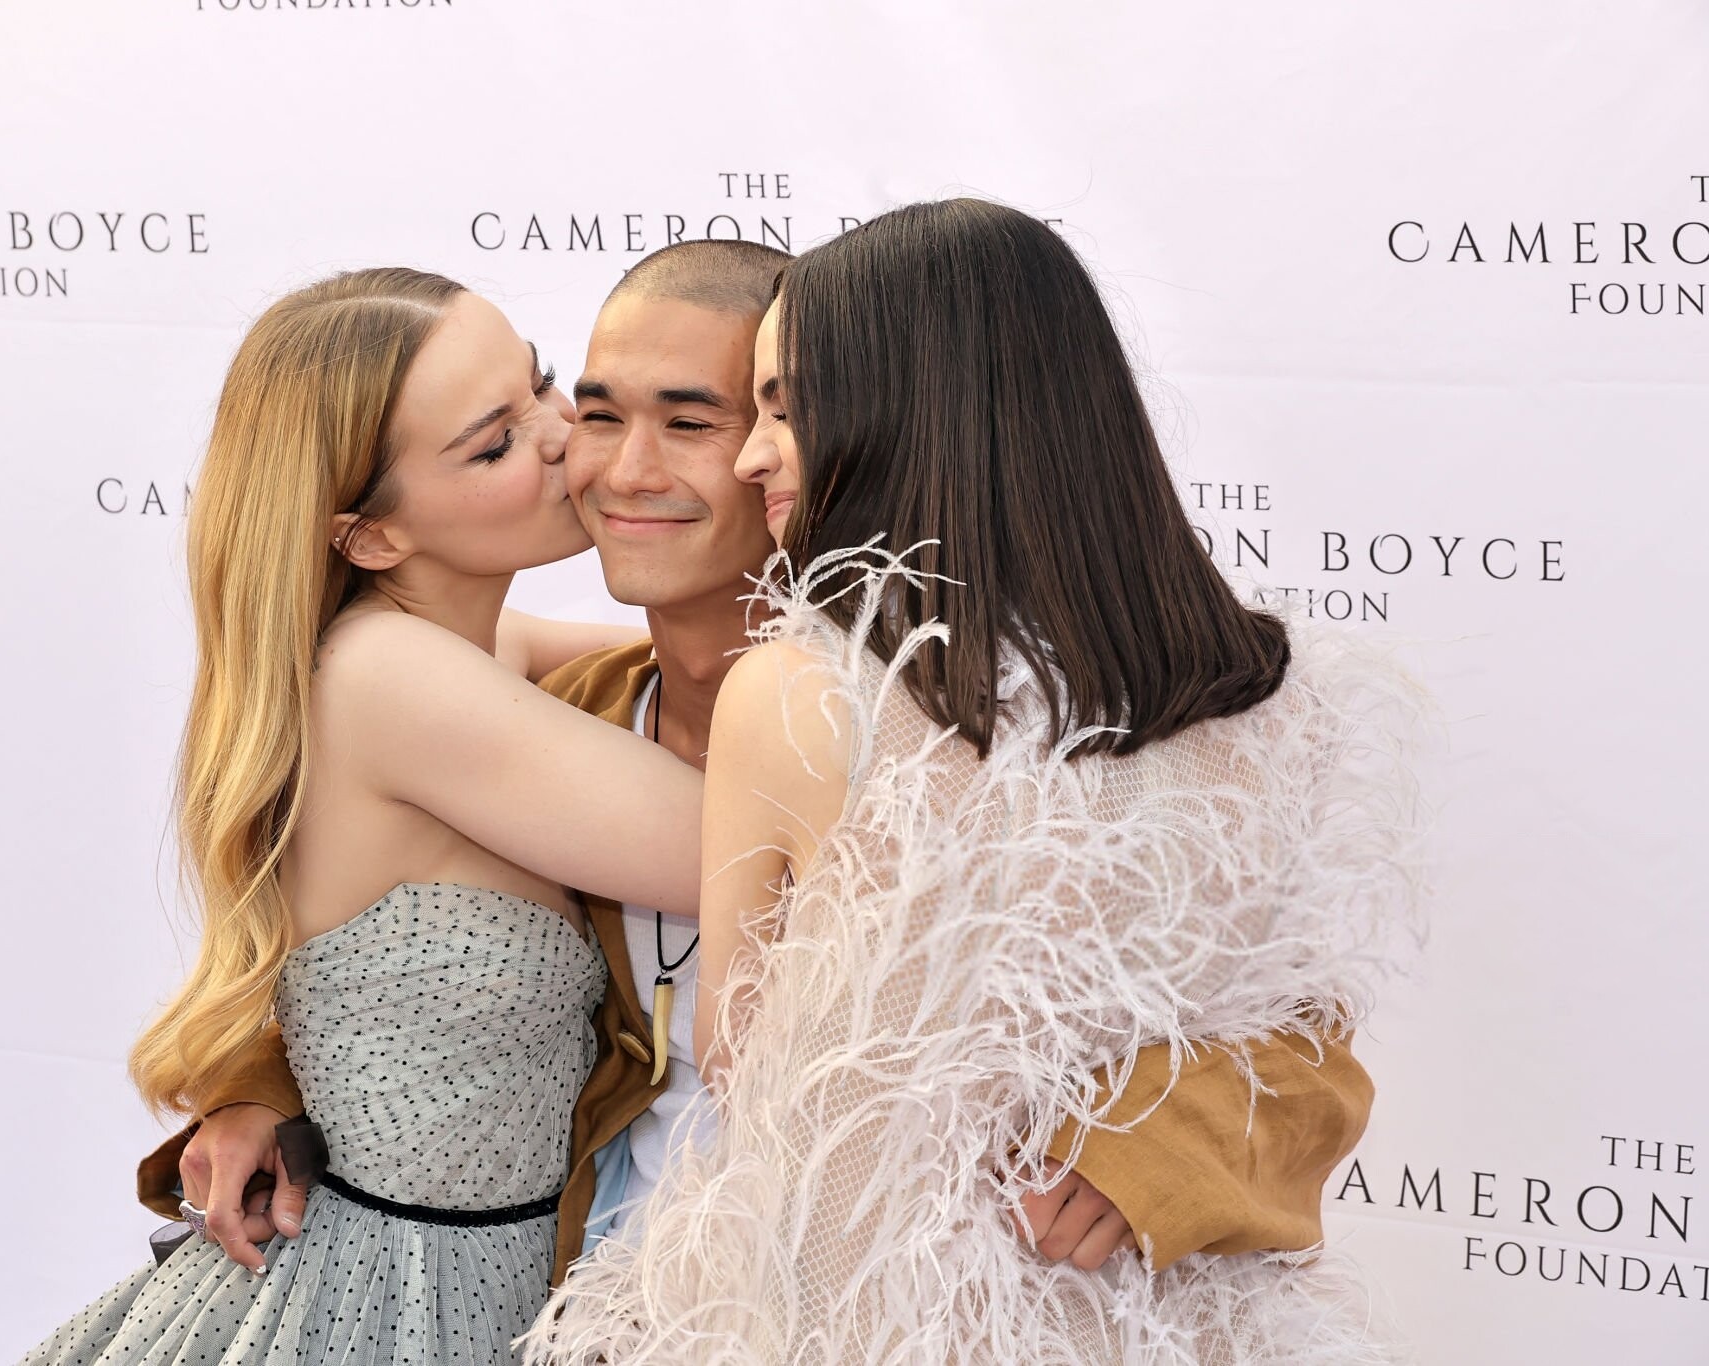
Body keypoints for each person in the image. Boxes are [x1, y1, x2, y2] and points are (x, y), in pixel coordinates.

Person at [139, 241, 1383, 1355]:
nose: (606, 463)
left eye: (697, 419)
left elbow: (1283, 1023)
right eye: (594, 411)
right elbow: (374, 962)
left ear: (823, 439)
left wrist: (1155, 1149)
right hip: (560, 1310)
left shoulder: (1003, 736)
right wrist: (267, 1092)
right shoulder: (548, 718)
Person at [521, 202, 1426, 1364]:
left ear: (904, 411)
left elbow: (749, 1061)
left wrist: (1147, 1138)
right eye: (597, 414)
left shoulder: (798, 696)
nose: (749, 455)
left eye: (769, 410)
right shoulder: (1257, 703)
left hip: (822, 1306)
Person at [17, 266, 709, 1365]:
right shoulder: (390, 680)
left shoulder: (480, 649)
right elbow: (744, 845)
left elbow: (691, 665)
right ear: (372, 537)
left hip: (480, 1275)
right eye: (494, 444)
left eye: (539, 382)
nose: (561, 435)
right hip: (385, 1301)